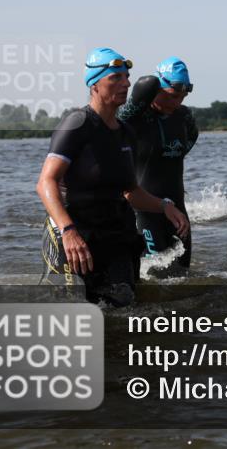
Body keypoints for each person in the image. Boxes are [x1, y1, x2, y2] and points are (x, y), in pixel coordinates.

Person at [37, 48, 189, 306]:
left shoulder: (126, 133)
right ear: (94, 83)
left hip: (116, 232)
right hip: (76, 233)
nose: (126, 83)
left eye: (127, 77)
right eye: (116, 77)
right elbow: (45, 183)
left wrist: (165, 206)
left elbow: (131, 192)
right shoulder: (77, 124)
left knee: (124, 305)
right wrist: (69, 231)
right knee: (71, 312)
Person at [118, 56, 199, 275]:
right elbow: (138, 94)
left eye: (183, 96)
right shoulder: (135, 116)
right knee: (152, 275)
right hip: (143, 210)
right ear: (157, 89)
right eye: (173, 96)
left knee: (183, 278)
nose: (177, 102)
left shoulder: (184, 117)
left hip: (177, 209)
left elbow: (190, 139)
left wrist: (168, 156)